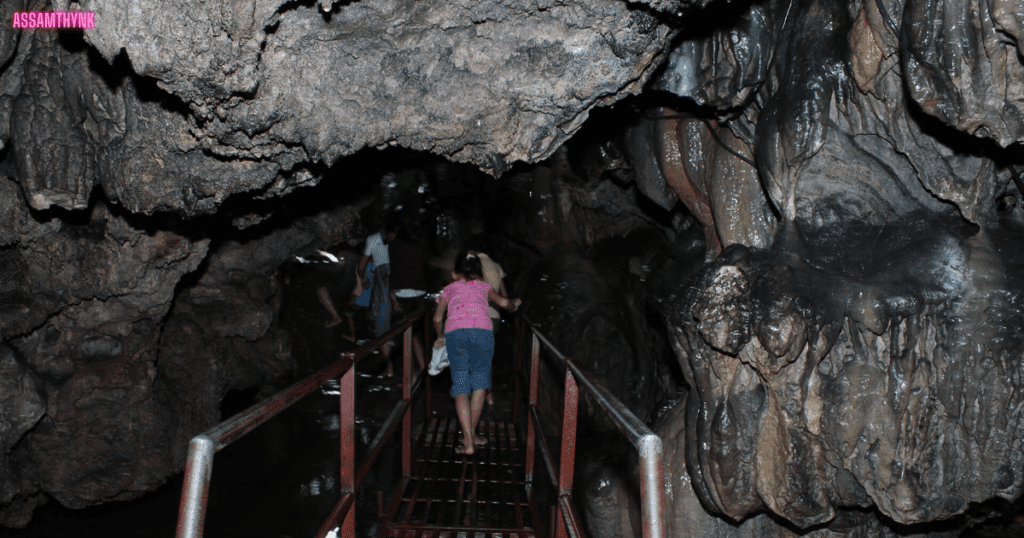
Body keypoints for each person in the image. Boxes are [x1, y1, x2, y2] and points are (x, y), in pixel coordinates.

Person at [433, 251, 521, 455]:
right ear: (479, 273)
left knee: (461, 387)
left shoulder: (448, 289)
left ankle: (469, 442)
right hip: (482, 333)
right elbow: (505, 303)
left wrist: (440, 336)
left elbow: (438, 319)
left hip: (456, 335)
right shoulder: (484, 286)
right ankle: (471, 437)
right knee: (480, 385)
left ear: (455, 274)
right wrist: (515, 303)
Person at [465, 241, 508, 406]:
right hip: (494, 316)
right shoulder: (497, 266)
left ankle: (473, 394)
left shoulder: (472, 265)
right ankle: (488, 394)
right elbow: (504, 295)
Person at [358, 221, 399, 371]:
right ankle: (398, 366)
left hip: (383, 282)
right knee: (402, 325)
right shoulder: (400, 242)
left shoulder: (373, 238)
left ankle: (389, 366)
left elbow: (361, 266)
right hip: (401, 281)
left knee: (382, 326)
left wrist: (363, 280)